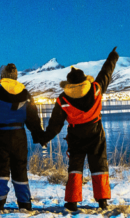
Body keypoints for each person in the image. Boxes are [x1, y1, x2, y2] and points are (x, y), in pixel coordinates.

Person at [40, 47, 119, 211]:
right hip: (96, 133)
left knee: (75, 168)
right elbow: (106, 73)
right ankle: (103, 200)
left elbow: (55, 125)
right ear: (85, 80)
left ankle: (72, 201)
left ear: (69, 84)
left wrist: (44, 137)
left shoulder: (63, 99)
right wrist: (112, 57)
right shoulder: (96, 89)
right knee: (99, 166)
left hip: (76, 136)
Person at [0, 63, 45, 211]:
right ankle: (25, 203)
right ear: (16, 77)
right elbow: (33, 118)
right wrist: (39, 135)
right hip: (19, 135)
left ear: (2, 77)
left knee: (1, 171)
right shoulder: (25, 95)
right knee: (20, 169)